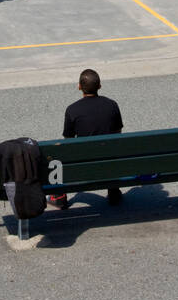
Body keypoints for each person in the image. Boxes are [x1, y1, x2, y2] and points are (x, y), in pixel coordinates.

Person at [49, 69, 125, 209]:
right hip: (110, 163)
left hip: (84, 166)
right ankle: (113, 190)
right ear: (99, 86)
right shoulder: (112, 105)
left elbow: (68, 141)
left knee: (54, 156)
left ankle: (59, 196)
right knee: (112, 147)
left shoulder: (72, 110)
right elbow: (117, 134)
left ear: (79, 86)